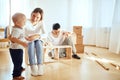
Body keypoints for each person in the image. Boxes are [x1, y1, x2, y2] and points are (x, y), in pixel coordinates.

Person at [25, 8, 45, 76]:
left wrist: (37, 35)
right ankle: (33, 67)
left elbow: (45, 34)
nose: (35, 18)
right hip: (28, 39)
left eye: (38, 17)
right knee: (31, 44)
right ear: (31, 14)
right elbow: (22, 32)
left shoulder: (41, 23)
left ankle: (40, 67)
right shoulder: (26, 21)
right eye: (33, 16)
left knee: (39, 43)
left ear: (41, 18)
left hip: (38, 39)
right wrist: (27, 38)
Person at [9, 13, 28, 80]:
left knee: (19, 60)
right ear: (17, 23)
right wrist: (22, 43)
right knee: (17, 62)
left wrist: (26, 38)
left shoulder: (19, 29)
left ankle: (20, 68)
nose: (25, 23)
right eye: (24, 21)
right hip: (16, 49)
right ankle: (16, 76)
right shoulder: (16, 30)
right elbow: (13, 39)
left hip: (18, 49)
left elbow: (20, 36)